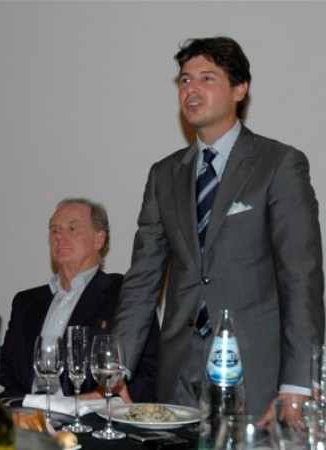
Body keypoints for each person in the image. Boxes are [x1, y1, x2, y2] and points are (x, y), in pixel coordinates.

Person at [112, 36, 324, 417]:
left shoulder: (279, 164)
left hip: (257, 377)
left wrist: (297, 383)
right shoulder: (164, 175)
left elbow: (300, 277)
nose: (191, 89)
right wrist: (115, 368)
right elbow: (142, 279)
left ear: (240, 88)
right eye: (185, 80)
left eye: (207, 78)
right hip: (179, 377)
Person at [0, 198, 159, 401]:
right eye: (54, 230)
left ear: (99, 239)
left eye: (72, 228)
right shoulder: (26, 302)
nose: (60, 236)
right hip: (27, 414)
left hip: (89, 415)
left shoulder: (125, 295)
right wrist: (23, 406)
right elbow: (4, 367)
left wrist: (109, 399)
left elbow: (150, 371)